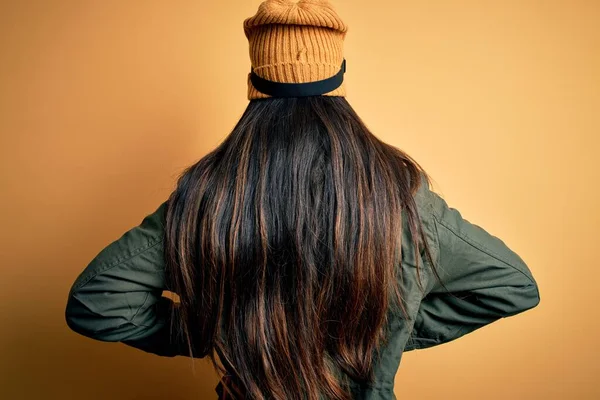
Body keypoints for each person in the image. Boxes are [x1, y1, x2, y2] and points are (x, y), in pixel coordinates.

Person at [64, 1, 541, 399]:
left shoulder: (207, 196)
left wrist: (217, 332)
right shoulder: (399, 196)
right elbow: (512, 286)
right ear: (339, 78)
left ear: (254, 80)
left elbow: (97, 303)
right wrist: (380, 333)